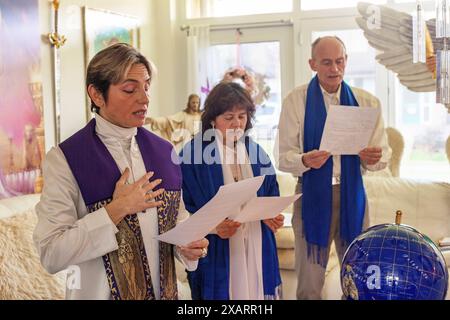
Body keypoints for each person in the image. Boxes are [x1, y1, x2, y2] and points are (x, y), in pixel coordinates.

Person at [33, 43, 208, 300]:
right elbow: (51, 254)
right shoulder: (65, 159)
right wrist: (116, 209)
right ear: (96, 94)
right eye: (129, 89)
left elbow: (178, 220)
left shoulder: (164, 151)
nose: (145, 98)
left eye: (147, 86)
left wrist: (188, 248)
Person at [275, 36, 391, 300]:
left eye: (339, 61)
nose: (334, 69)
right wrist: (305, 160)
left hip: (353, 197)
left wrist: (373, 158)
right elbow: (283, 157)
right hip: (311, 196)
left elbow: (382, 156)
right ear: (312, 64)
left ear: (346, 61)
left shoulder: (367, 101)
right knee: (309, 285)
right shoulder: (296, 101)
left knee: (358, 280)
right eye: (326, 63)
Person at [179, 81, 284, 300]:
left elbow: (271, 193)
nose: (237, 124)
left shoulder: (257, 152)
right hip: (218, 246)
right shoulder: (192, 155)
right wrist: (213, 227)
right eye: (229, 117)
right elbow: (181, 209)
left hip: (254, 239)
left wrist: (271, 216)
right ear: (212, 120)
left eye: (242, 116)